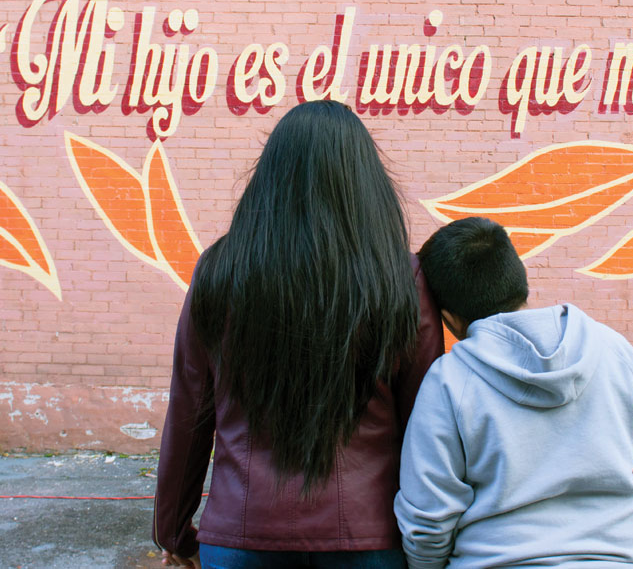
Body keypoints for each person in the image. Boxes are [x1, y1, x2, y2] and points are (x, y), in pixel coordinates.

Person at [152, 100, 445, 569]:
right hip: (369, 540)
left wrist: (172, 531)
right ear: (365, 183)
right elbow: (428, 424)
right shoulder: (400, 278)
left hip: (242, 537)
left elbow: (189, 417)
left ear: (270, 178)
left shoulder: (220, 271)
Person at [394, 217, 633, 568]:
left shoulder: (448, 381)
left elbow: (427, 517)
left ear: (449, 319)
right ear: (521, 282)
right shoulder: (616, 352)